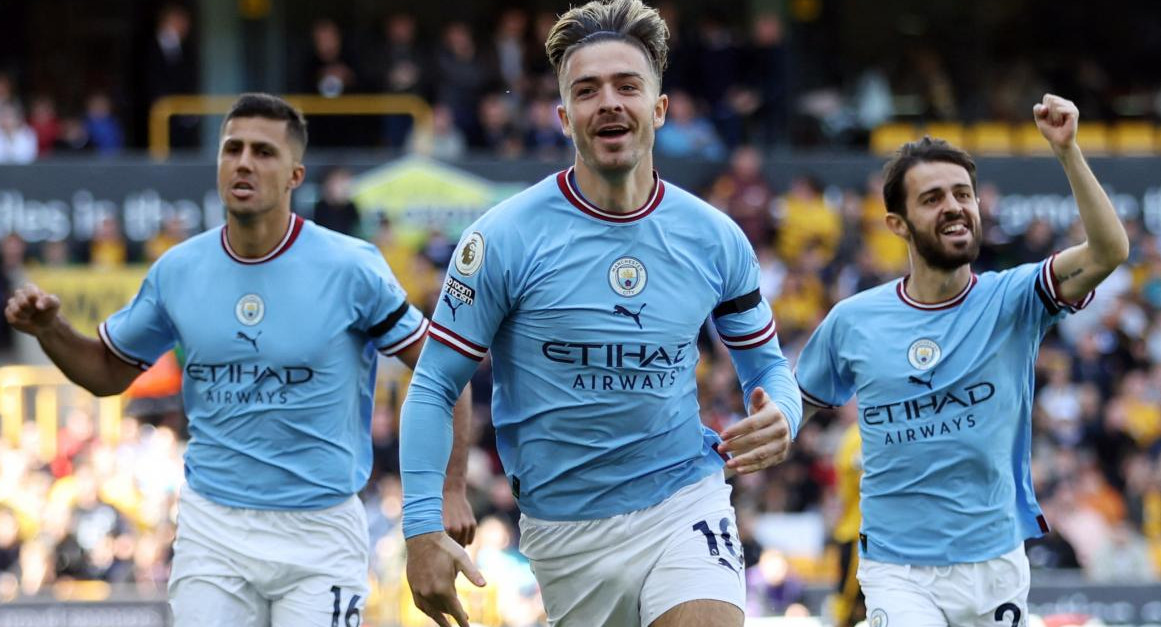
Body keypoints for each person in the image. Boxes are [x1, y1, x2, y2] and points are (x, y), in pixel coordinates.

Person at [398, 1, 802, 626]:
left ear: (659, 109)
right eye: (587, 91)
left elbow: (768, 371)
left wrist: (785, 414)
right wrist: (422, 525)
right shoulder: (502, 238)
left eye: (627, 86)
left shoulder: (715, 239)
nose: (608, 102)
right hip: (566, 531)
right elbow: (433, 384)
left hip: (683, 499)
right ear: (564, 117)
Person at [4, 93, 476, 626]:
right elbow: (108, 373)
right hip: (214, 531)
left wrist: (450, 490)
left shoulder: (350, 268)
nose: (244, 161)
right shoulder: (177, 270)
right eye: (232, 148)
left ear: (295, 174)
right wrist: (51, 331)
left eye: (263, 152)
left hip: (319, 531)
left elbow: (447, 372)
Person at [794, 94, 1130, 625]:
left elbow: (1109, 250)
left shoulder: (1015, 299)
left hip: (994, 561)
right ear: (897, 223)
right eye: (932, 198)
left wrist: (1067, 152)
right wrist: (760, 436)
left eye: (963, 193)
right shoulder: (853, 320)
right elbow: (798, 405)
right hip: (896, 566)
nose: (953, 205)